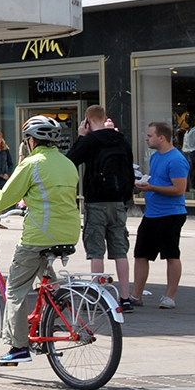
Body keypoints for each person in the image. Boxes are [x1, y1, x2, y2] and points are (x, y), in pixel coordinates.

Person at [0, 115, 80, 365]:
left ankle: (18, 346)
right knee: (44, 279)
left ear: (31, 141)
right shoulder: (67, 164)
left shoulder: (32, 163)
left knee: (16, 288)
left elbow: (4, 198)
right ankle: (53, 311)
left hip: (40, 234)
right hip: (69, 233)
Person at [66, 105, 135, 312]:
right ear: (105, 118)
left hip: (96, 201)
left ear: (87, 121)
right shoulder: (121, 140)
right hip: (118, 202)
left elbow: (69, 161)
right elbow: (130, 171)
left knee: (96, 251)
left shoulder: (90, 141)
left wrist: (80, 136)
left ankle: (98, 297)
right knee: (120, 251)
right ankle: (125, 298)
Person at [131, 121, 190, 310]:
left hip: (171, 214)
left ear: (161, 137)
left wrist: (152, 187)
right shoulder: (156, 157)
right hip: (152, 214)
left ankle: (169, 296)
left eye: (149, 136)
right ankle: (136, 295)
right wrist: (143, 182)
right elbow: (158, 180)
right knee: (141, 254)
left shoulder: (177, 160)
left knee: (171, 254)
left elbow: (179, 189)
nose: (146, 138)